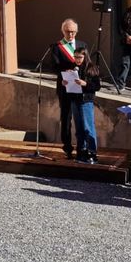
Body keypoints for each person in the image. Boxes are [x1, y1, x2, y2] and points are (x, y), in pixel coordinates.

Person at [51, 18, 87, 160]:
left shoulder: (82, 45)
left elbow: (87, 63)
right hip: (65, 87)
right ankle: (67, 147)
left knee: (81, 119)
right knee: (66, 118)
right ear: (63, 31)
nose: (70, 34)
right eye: (68, 31)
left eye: (73, 32)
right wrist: (64, 73)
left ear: (77, 31)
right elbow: (54, 66)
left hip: (79, 87)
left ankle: (82, 147)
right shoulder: (56, 47)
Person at [68, 49, 101, 164]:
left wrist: (85, 83)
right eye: (75, 57)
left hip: (86, 101)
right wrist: (65, 82)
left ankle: (92, 153)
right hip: (75, 100)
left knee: (88, 128)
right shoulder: (73, 68)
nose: (77, 60)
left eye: (79, 57)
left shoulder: (92, 68)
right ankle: (81, 151)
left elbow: (97, 86)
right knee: (79, 128)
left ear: (85, 57)